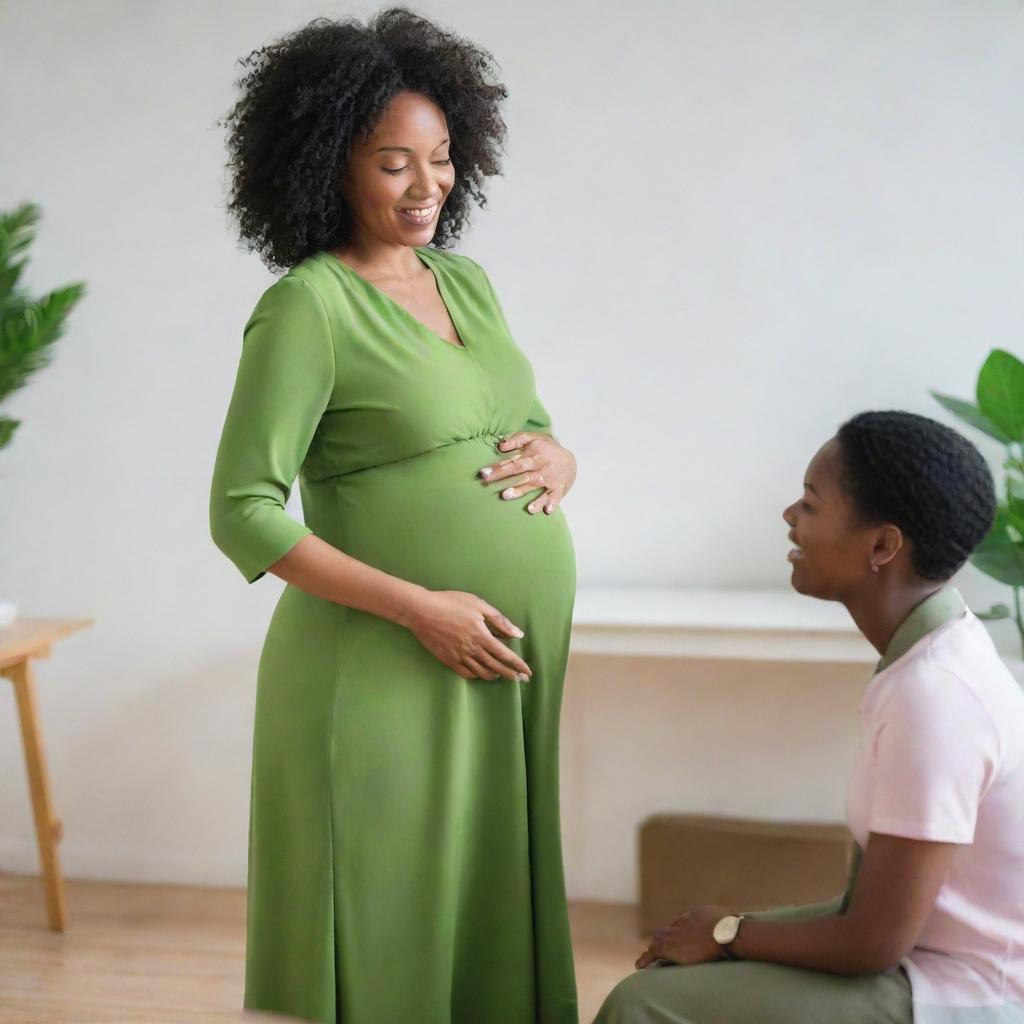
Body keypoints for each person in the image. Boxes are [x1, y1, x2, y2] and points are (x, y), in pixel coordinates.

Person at [209, 10, 579, 1023]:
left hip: (498, 661)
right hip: (380, 654)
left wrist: (562, 452)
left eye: (443, 158)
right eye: (393, 164)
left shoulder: (468, 281)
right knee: (386, 908)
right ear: (329, 164)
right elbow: (241, 510)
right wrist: (421, 608)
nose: (427, 187)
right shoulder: (309, 307)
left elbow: (519, 421)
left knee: (479, 894)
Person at [596, 410, 1024, 1024]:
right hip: (925, 962)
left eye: (810, 504)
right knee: (682, 967)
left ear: (882, 545)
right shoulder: (931, 657)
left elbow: (874, 941)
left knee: (647, 1004)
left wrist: (728, 933)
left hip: (962, 993)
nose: (790, 519)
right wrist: (726, 929)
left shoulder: (937, 694)